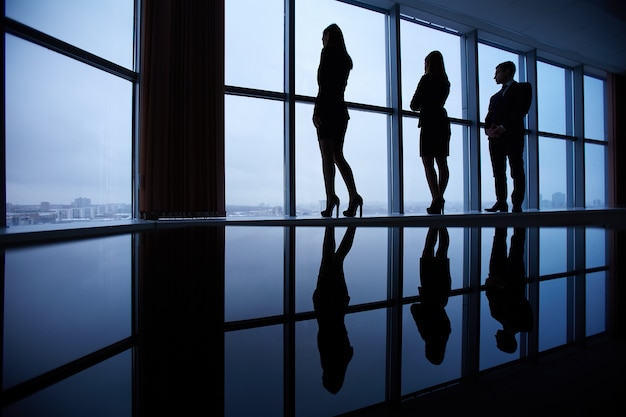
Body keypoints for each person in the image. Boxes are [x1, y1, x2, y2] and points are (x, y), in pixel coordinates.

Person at [313, 24, 363, 218]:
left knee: (327, 157)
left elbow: (323, 86)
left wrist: (317, 110)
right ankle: (353, 196)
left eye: (323, 35)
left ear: (329, 36)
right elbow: (334, 86)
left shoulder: (327, 53)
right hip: (340, 110)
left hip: (327, 109)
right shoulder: (344, 59)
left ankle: (331, 197)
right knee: (337, 155)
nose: (321, 40)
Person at [313, 226, 357, 393]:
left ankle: (350, 221)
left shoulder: (343, 358)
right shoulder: (329, 360)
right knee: (330, 257)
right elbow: (324, 334)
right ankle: (334, 219)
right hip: (326, 304)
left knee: (337, 259)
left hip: (337, 303)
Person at [484, 61, 532, 213]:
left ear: (508, 71)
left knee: (516, 170)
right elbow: (488, 118)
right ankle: (501, 202)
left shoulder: (523, 88)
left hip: (512, 136)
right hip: (495, 139)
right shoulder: (494, 97)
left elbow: (521, 110)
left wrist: (503, 127)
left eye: (497, 72)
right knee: (498, 172)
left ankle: (516, 203)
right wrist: (489, 130)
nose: (494, 77)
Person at [410, 50, 451, 215]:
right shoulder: (446, 82)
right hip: (442, 121)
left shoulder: (426, 79)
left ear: (429, 64)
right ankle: (439, 197)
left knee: (428, 163)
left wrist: (423, 105)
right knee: (442, 162)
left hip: (428, 122)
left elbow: (414, 104)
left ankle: (436, 198)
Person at [485, 227, 533, 353]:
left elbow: (522, 303)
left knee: (510, 244)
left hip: (507, 278)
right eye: (498, 340)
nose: (496, 337)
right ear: (505, 340)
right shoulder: (523, 323)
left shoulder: (499, 316)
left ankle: (512, 210)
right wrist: (495, 286)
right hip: (508, 278)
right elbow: (522, 303)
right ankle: (510, 211)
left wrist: (492, 286)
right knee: (508, 244)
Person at [410, 227, 452, 365]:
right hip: (428, 290)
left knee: (442, 250)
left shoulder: (445, 333)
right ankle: (434, 222)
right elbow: (414, 309)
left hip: (441, 293)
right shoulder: (427, 335)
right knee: (428, 249)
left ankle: (441, 223)